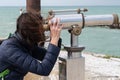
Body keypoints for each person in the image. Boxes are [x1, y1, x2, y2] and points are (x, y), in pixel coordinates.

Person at [0, 12, 63, 80]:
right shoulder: (10, 50)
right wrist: (54, 39)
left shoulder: (24, 44)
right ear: (31, 32)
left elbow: (46, 56)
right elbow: (44, 69)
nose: (42, 32)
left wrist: (55, 38)